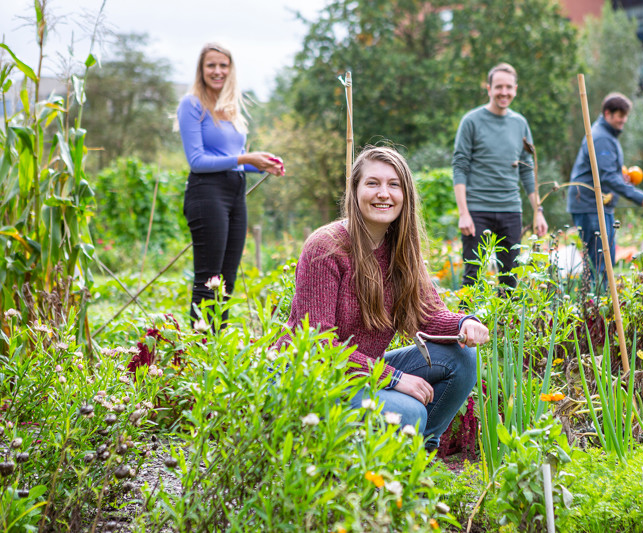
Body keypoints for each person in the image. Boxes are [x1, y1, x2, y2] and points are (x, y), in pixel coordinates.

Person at [279, 146, 489, 451]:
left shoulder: (401, 249)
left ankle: (416, 458)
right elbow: (316, 343)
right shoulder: (325, 248)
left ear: (405, 195)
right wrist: (394, 379)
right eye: (372, 183)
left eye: (394, 184)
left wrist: (465, 323)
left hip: (362, 372)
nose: (384, 193)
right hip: (315, 380)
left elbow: (428, 314)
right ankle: (363, 457)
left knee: (461, 357)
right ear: (355, 190)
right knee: (410, 411)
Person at [177, 43, 284, 323]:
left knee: (227, 280)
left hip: (234, 192)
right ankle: (199, 351)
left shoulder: (230, 108)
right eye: (211, 65)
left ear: (231, 69)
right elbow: (198, 161)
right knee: (208, 279)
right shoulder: (191, 105)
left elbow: (229, 158)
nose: (218, 71)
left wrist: (261, 164)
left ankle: (217, 347)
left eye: (223, 65)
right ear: (201, 70)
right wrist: (246, 157)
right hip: (206, 192)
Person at [452, 62, 548, 289]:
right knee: (472, 277)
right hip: (477, 211)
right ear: (488, 88)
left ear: (515, 89)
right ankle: (465, 324)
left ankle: (507, 325)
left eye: (508, 87)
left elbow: (527, 169)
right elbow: (460, 166)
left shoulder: (520, 123)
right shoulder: (471, 121)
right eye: (498, 87)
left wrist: (538, 211)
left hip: (511, 210)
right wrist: (463, 213)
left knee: (510, 279)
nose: (503, 92)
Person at [566, 92, 643, 287]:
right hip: (589, 204)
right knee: (599, 261)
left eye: (625, 115)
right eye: (620, 115)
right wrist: (638, 196)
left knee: (607, 259)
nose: (623, 120)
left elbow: (606, 172)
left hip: (601, 204)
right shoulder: (601, 137)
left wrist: (620, 176)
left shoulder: (608, 136)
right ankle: (595, 307)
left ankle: (604, 304)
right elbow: (606, 176)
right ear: (607, 113)